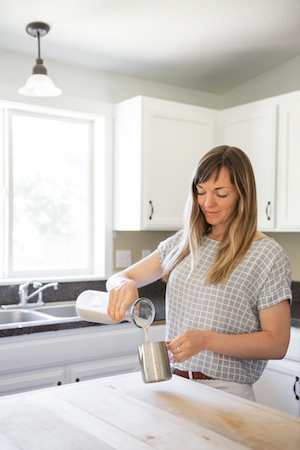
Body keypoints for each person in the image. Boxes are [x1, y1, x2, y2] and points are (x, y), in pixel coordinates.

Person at [106, 145, 292, 401]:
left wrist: (206, 340)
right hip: (174, 384)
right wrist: (124, 285)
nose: (207, 203)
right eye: (200, 192)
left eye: (221, 194)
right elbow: (119, 278)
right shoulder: (185, 241)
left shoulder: (267, 254)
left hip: (227, 393)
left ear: (242, 194)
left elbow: (277, 343)